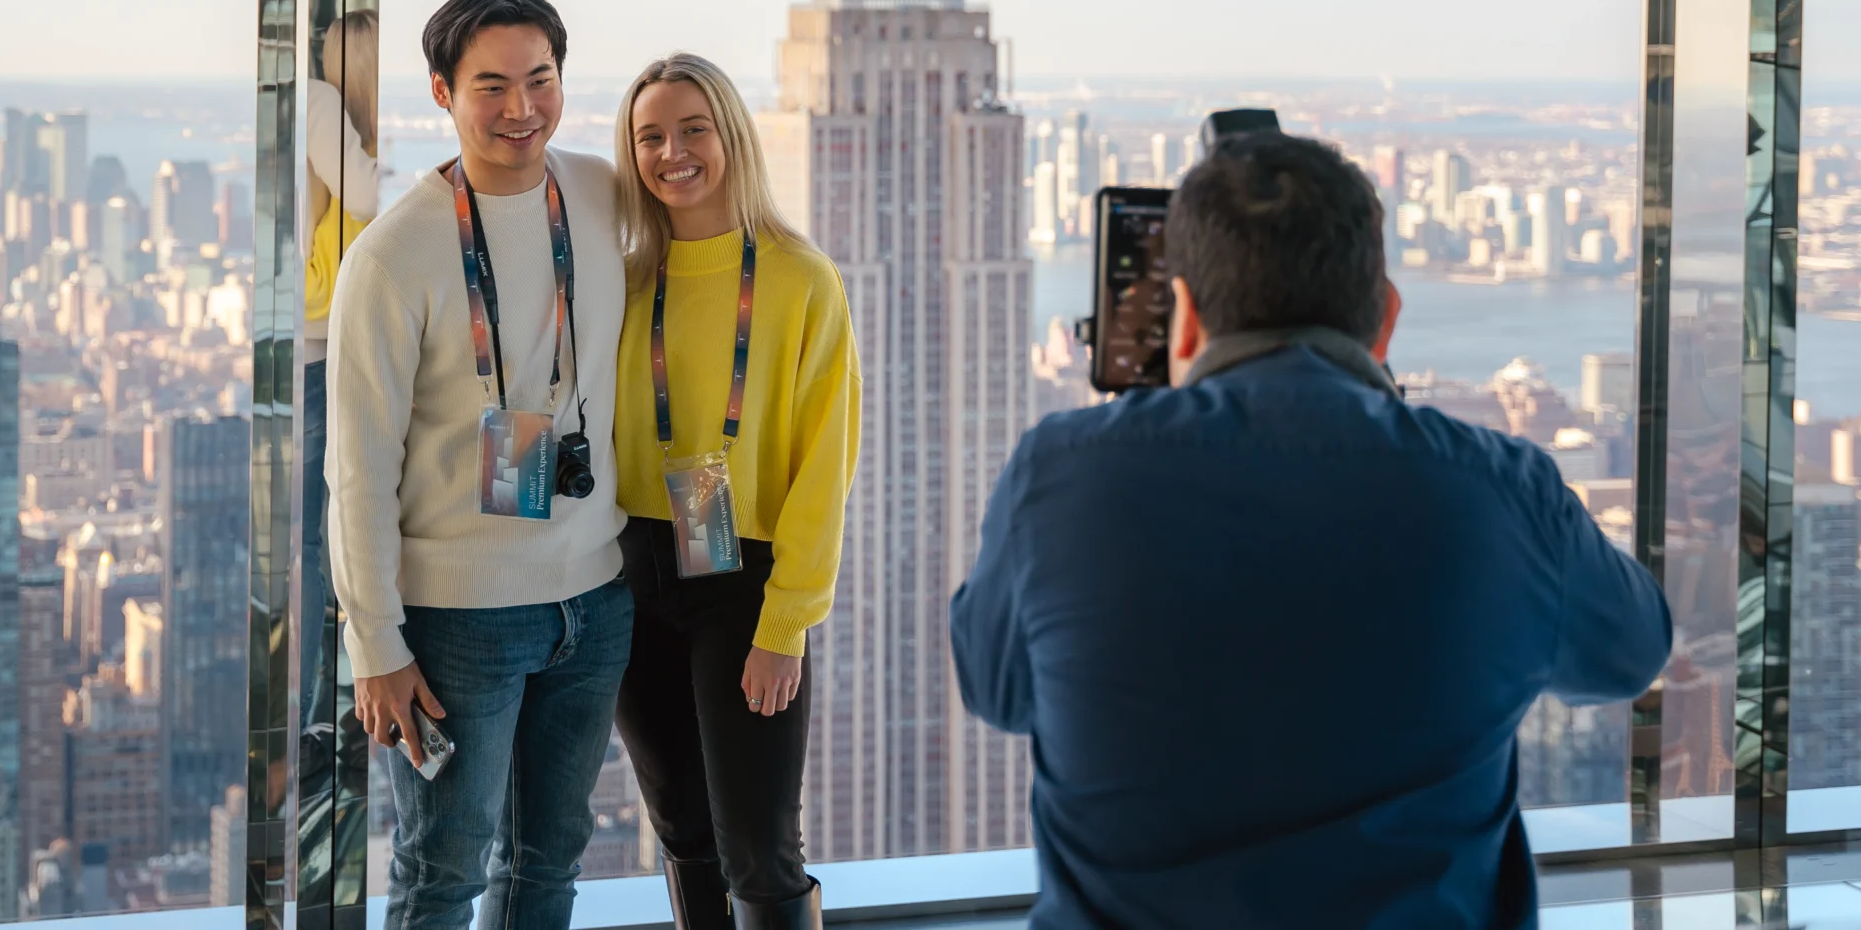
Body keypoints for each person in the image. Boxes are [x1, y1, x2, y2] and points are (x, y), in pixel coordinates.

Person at [950, 128, 1671, 930]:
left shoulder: (1060, 478)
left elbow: (998, 687)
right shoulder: (1498, 491)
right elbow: (1631, 653)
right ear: (1385, 318)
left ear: (1181, 318)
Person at [326, 0, 631, 930]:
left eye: (540, 79)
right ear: (440, 91)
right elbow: (358, 470)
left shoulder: (599, 190)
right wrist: (375, 644)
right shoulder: (394, 254)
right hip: (460, 623)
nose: (521, 107)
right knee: (442, 870)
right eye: (490, 84)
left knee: (551, 864)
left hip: (595, 597)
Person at [607, 54, 857, 930]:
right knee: (679, 826)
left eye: (692, 128)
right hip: (634, 574)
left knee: (758, 840)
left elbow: (825, 467)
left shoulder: (799, 278)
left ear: (732, 136)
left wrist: (785, 624)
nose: (672, 151)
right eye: (650, 136)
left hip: (743, 581)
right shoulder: (627, 278)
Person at [302, 9, 381, 740]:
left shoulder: (310, 109)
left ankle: (329, 701)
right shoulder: (319, 102)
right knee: (338, 525)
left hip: (318, 339)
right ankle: (334, 701)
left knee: (326, 529)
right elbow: (363, 197)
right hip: (324, 340)